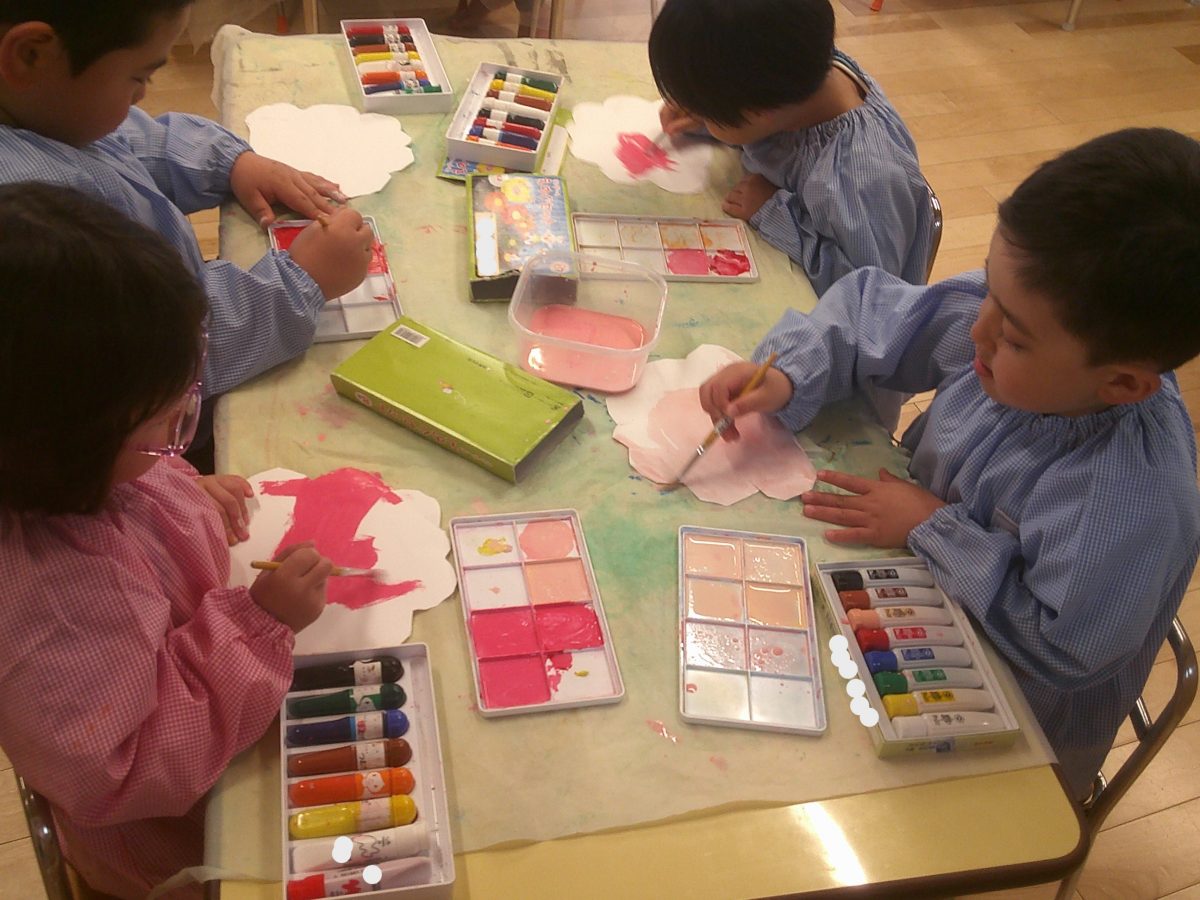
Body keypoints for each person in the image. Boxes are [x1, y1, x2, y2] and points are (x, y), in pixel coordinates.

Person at [698, 128, 1200, 801]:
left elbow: (1062, 649)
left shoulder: (1133, 502)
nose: (977, 329)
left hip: (1011, 738)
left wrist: (931, 527)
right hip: (909, 602)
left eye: (1012, 336)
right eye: (990, 288)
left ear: (1122, 384)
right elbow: (874, 314)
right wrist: (789, 372)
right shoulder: (1022, 319)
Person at [0, 183, 333, 899]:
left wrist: (180, 492)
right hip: (179, 827)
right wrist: (258, 625)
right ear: (71, 445)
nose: (175, 438)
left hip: (215, 714)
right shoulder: (54, 601)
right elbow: (136, 764)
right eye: (163, 426)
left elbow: (132, 481)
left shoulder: (65, 463)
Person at [0, 0, 374, 456]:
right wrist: (301, 282)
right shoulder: (28, 227)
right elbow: (155, 359)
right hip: (153, 443)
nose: (142, 97)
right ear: (30, 54)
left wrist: (232, 163)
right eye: (138, 78)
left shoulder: (44, 107)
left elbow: (132, 141)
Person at [649, 0, 935, 297]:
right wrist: (707, 113)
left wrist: (775, 213)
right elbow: (752, 116)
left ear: (759, 112)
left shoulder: (862, 179)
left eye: (710, 113)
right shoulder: (790, 73)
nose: (702, 114)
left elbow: (869, 297)